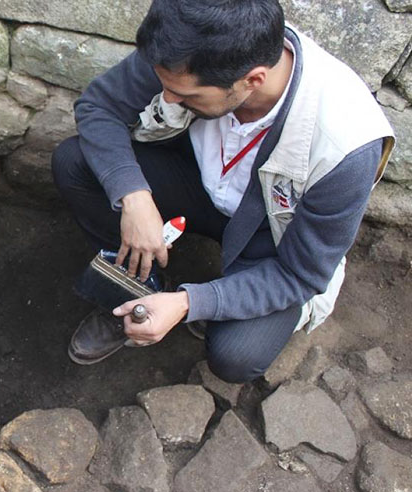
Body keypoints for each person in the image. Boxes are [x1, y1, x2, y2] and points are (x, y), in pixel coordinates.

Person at [52, 0, 395, 382]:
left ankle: (191, 304)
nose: (168, 99)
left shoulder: (346, 147)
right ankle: (132, 291)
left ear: (253, 81)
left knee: (236, 355)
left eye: (187, 97)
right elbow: (99, 107)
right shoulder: (189, 52)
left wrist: (190, 302)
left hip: (269, 233)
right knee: (76, 162)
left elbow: (301, 275)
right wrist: (133, 196)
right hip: (199, 184)